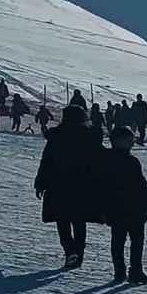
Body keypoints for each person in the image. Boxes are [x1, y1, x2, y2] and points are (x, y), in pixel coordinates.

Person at [35, 105, 101, 268]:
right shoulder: (90, 137)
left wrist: (40, 182)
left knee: (62, 219)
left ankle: (69, 250)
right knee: (79, 220)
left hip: (58, 184)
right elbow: (99, 161)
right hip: (82, 184)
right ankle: (78, 251)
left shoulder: (57, 136)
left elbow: (47, 161)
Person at [103, 126, 147, 284]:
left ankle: (129, 271)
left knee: (125, 241)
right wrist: (146, 201)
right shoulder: (125, 161)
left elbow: (141, 184)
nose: (132, 142)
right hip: (126, 207)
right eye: (129, 139)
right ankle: (127, 271)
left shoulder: (112, 159)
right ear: (118, 141)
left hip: (129, 208)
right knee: (127, 241)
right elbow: (140, 185)